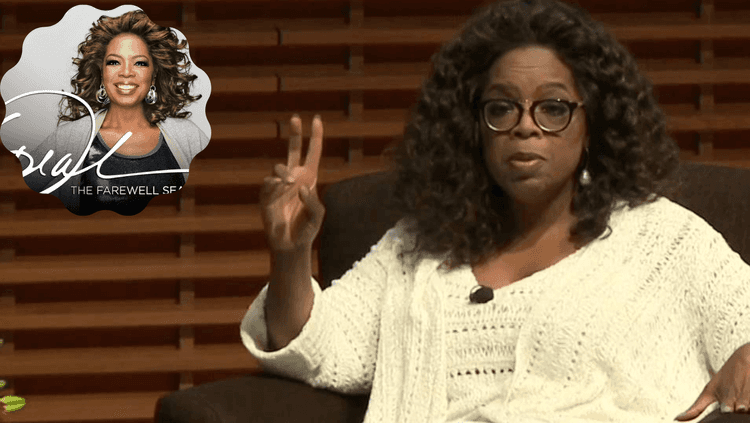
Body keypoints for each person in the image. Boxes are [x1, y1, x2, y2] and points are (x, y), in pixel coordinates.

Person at [243, 0, 750, 422]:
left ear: (592, 125)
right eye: (502, 107)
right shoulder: (419, 246)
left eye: (553, 108)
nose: (525, 126)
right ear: (475, 128)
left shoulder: (664, 240)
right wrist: (290, 253)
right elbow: (317, 347)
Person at [21, 10, 208, 216]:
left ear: (154, 75)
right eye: (114, 62)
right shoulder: (69, 138)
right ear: (101, 73)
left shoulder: (188, 137)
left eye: (140, 62)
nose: (126, 72)